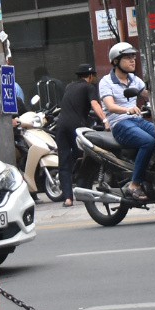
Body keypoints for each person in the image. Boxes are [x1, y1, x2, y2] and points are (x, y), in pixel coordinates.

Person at [99, 43, 155, 204]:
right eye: (127, 57)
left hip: (137, 121)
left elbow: (148, 94)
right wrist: (127, 110)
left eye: (133, 57)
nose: (133, 60)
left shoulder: (134, 79)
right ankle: (134, 184)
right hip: (120, 124)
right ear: (116, 61)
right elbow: (110, 106)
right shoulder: (106, 82)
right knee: (148, 141)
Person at [54, 64, 103, 208]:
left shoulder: (69, 87)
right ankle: (82, 185)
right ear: (90, 76)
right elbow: (95, 105)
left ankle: (68, 198)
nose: (95, 78)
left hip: (61, 126)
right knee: (87, 155)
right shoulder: (89, 87)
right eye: (94, 76)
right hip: (76, 126)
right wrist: (105, 120)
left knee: (64, 162)